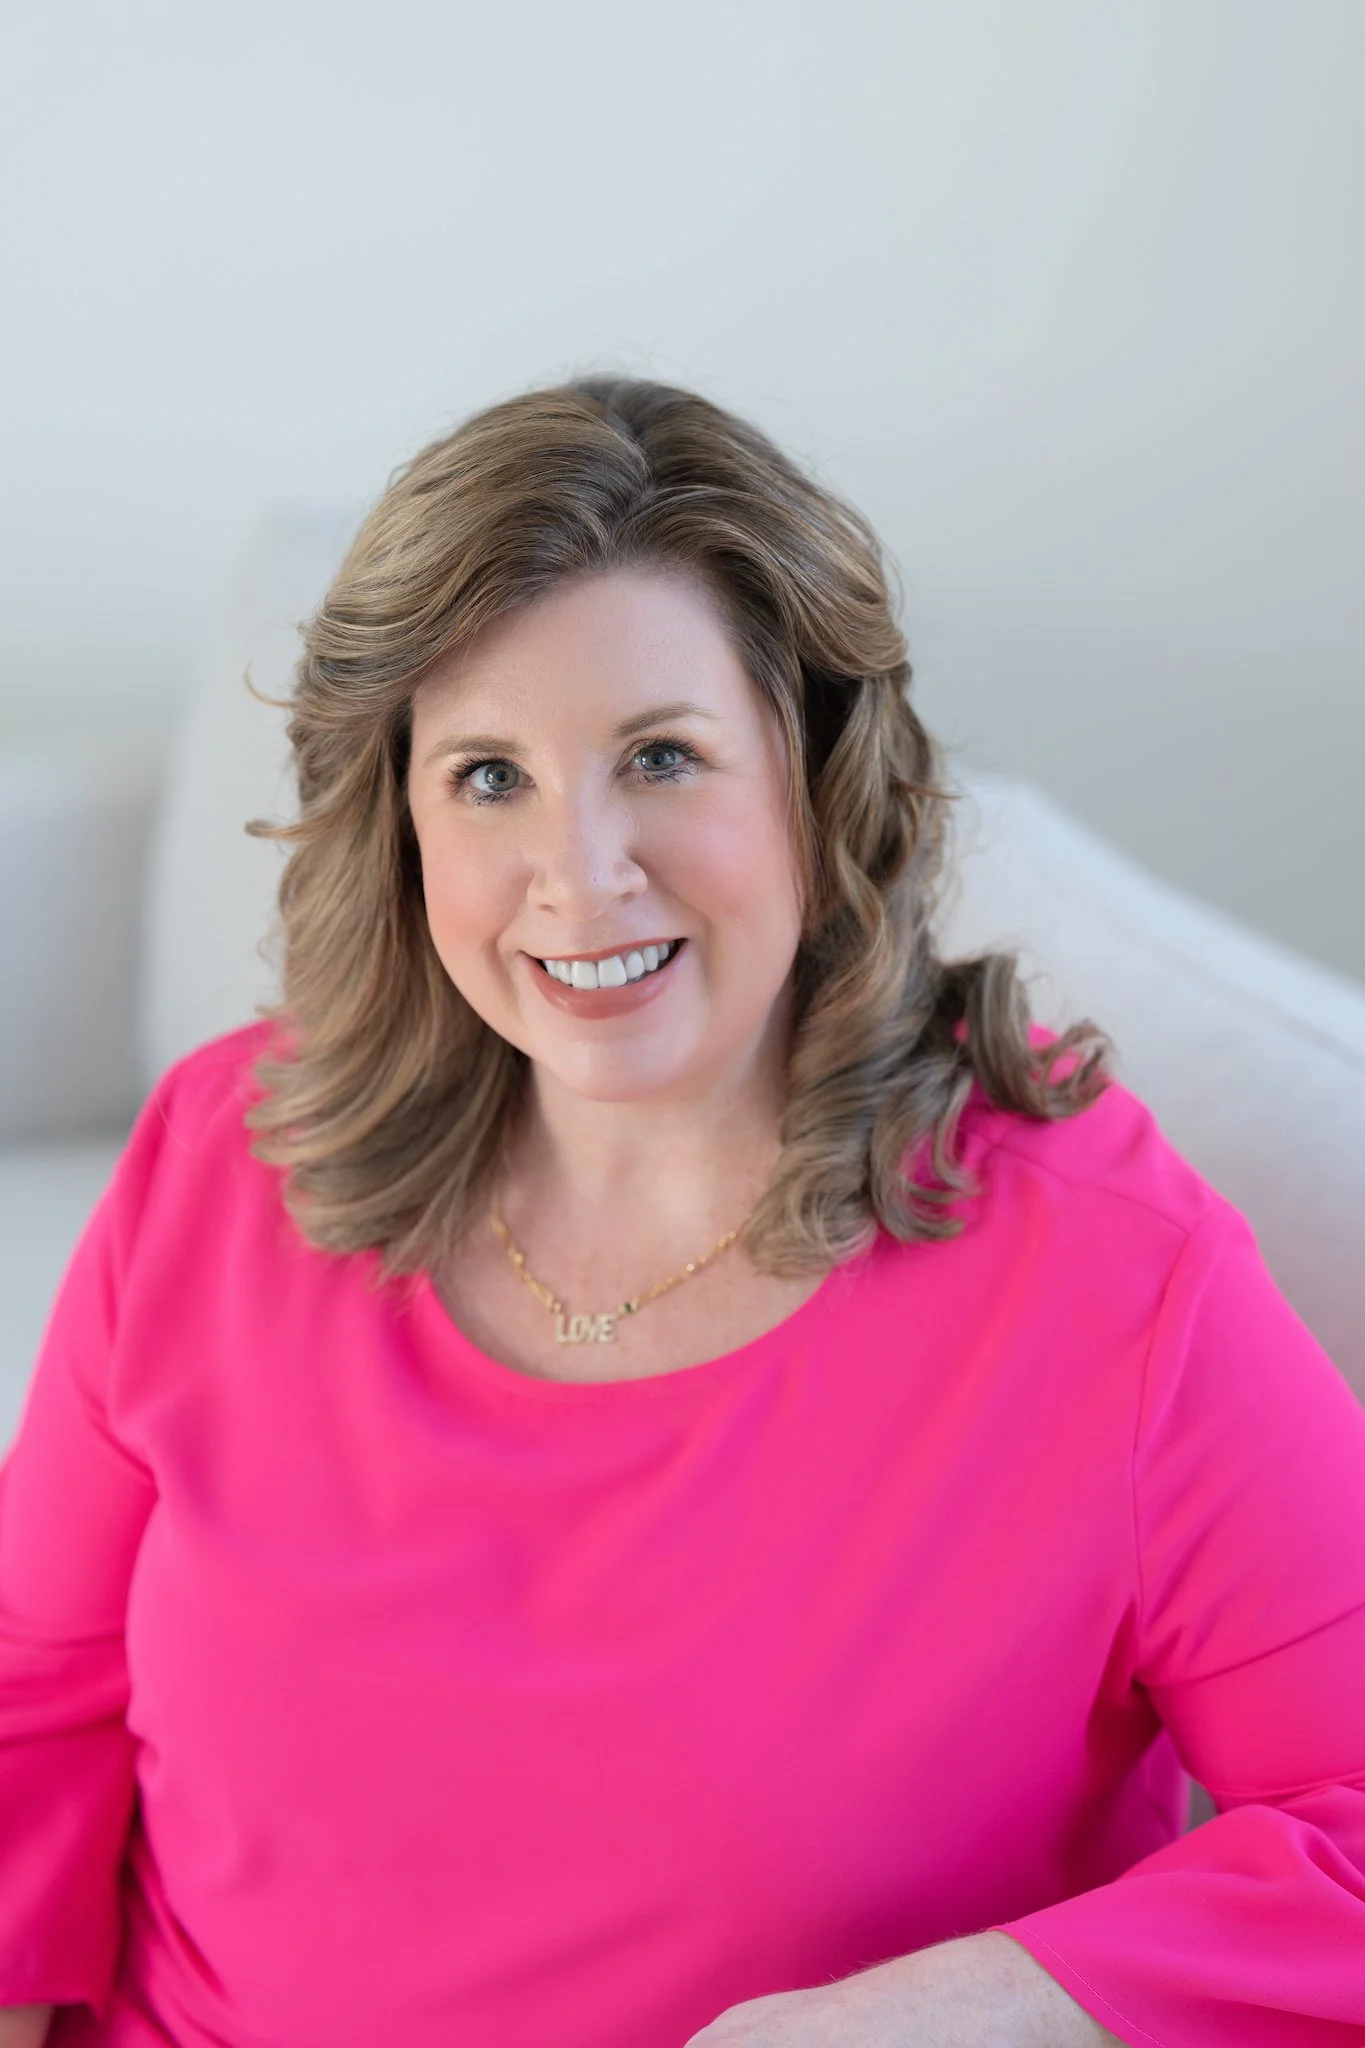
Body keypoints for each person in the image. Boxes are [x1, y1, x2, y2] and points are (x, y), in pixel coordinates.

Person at [1, 377, 1362, 2048]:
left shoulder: (1112, 1284)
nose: (580, 876)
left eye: (660, 757)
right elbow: (29, 1699)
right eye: (488, 777)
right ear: (401, 822)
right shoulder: (223, 1156)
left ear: (817, 774)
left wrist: (959, 2012)